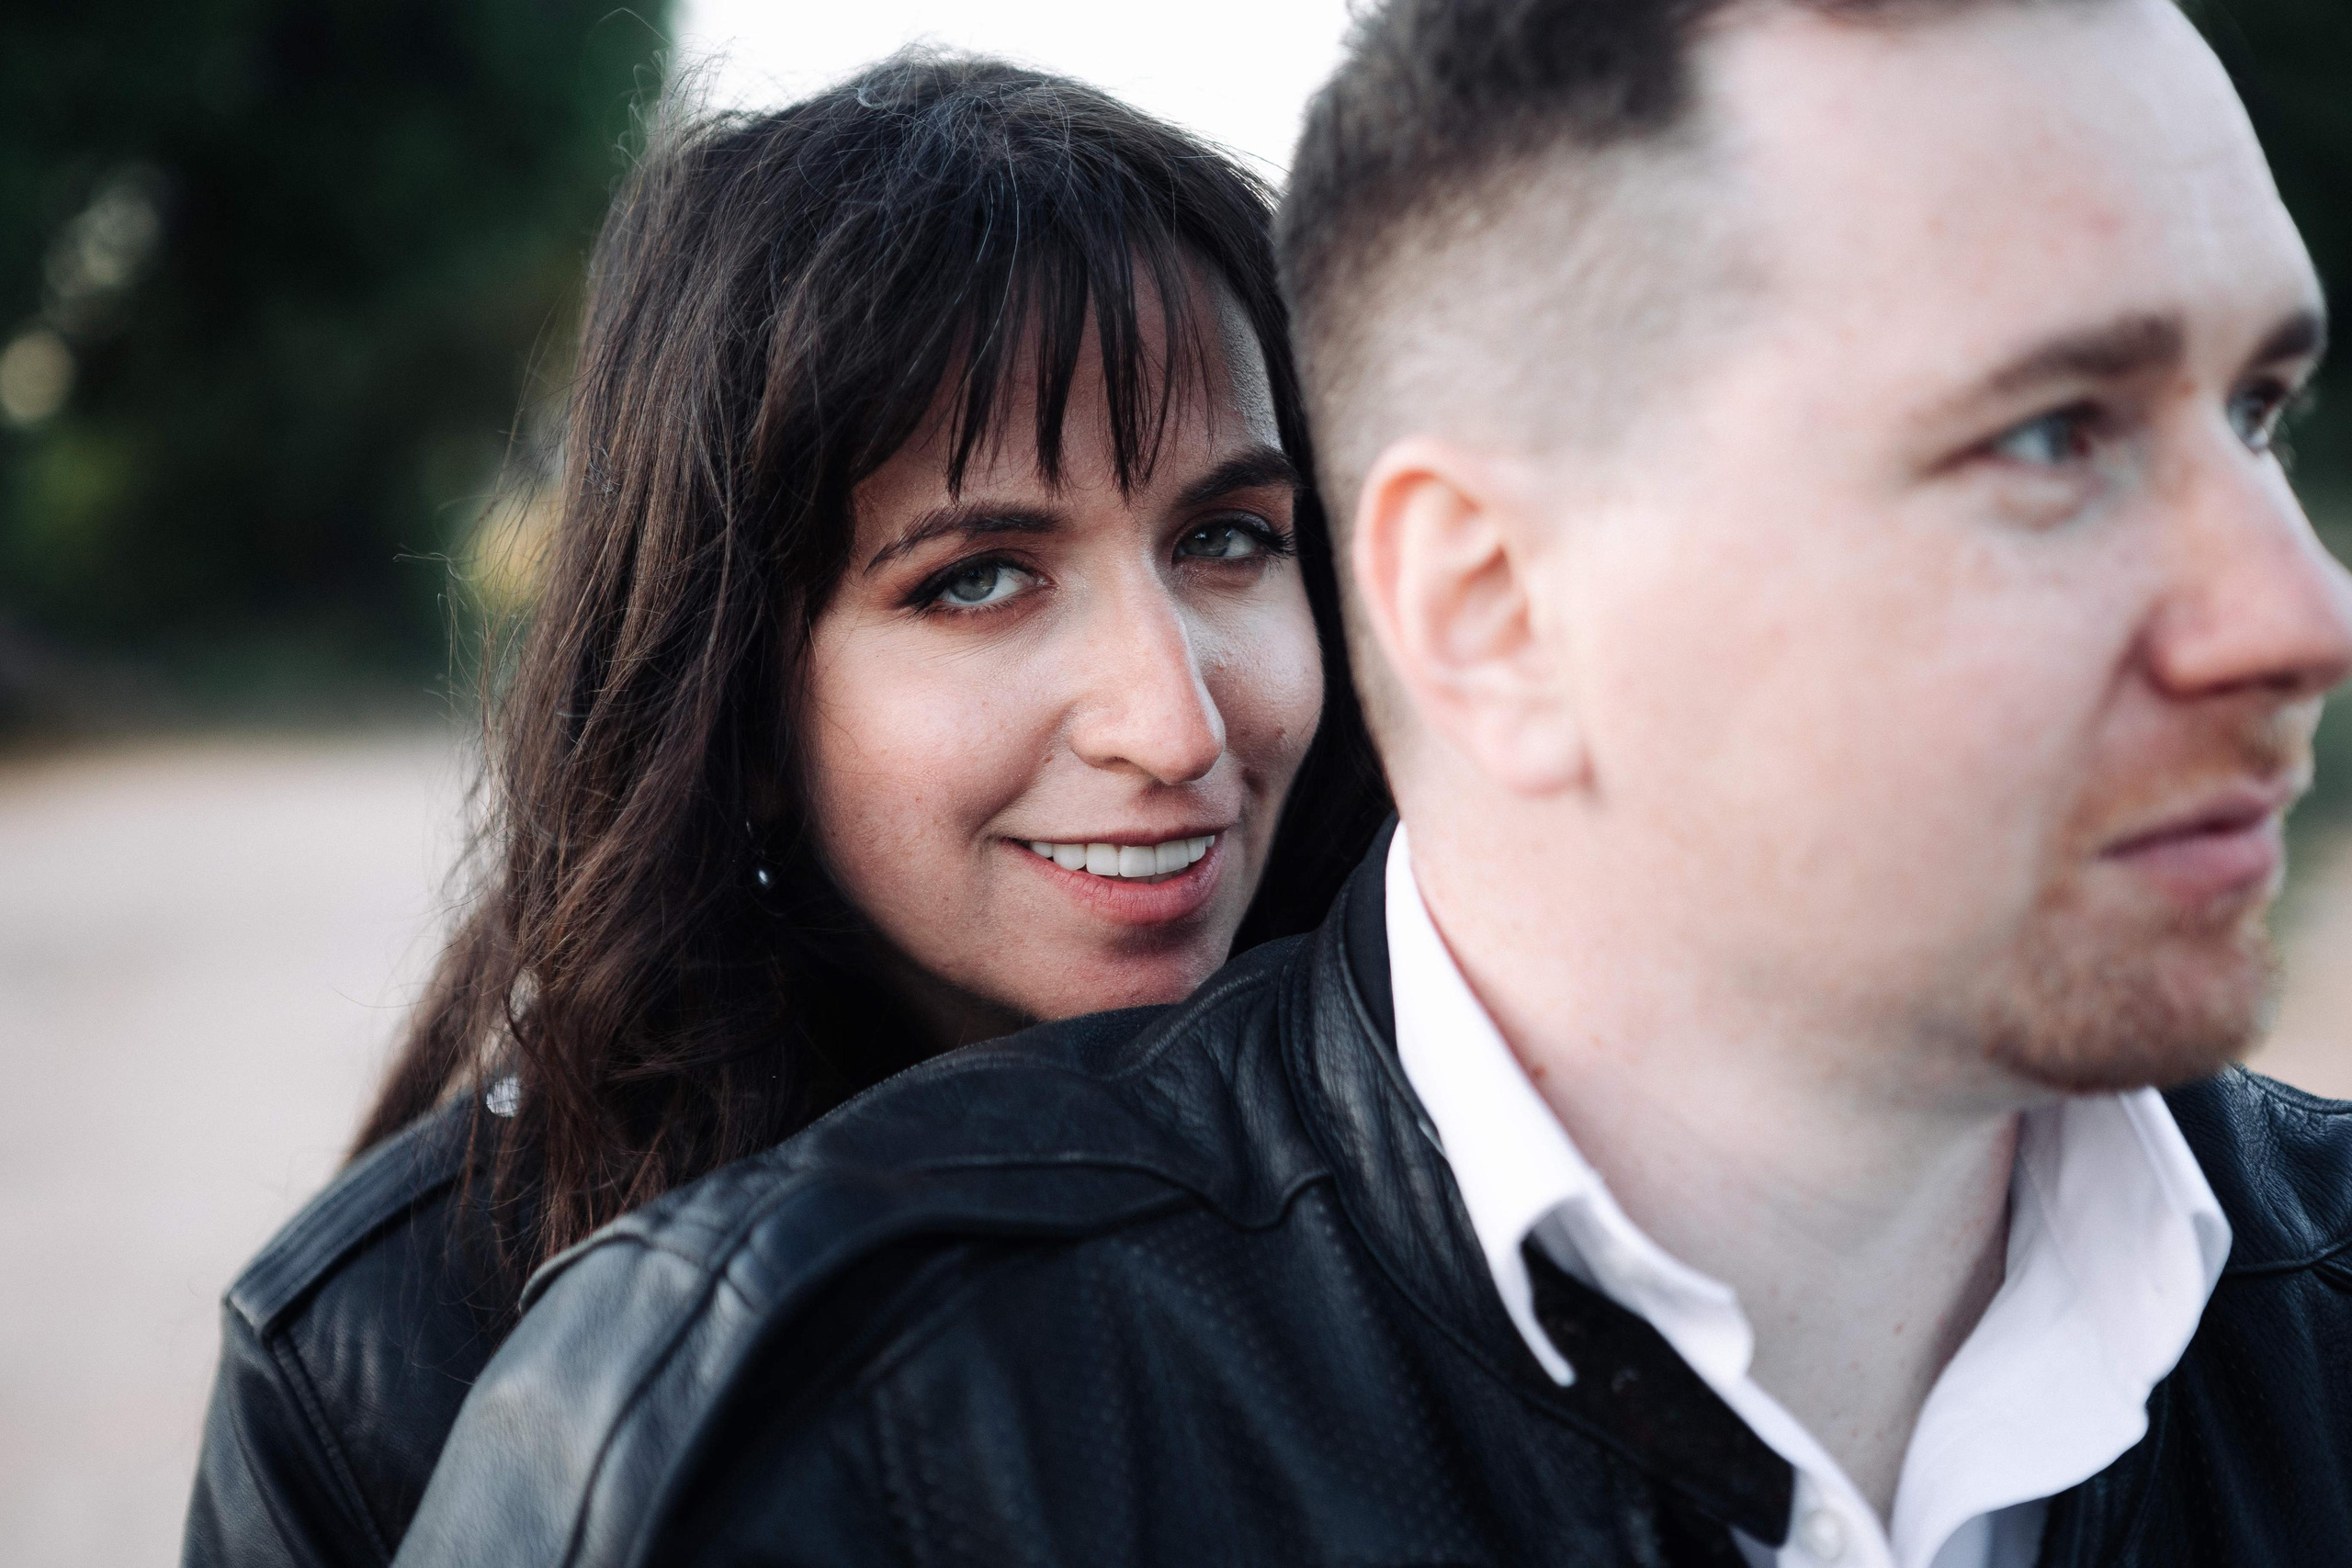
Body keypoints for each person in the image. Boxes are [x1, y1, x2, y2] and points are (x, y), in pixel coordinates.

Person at [388, 1, 2352, 1565]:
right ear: (1478, 599)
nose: (2301, 611)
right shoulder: (728, 1420)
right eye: (2041, 436)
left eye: (2261, 408)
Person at [179, 53, 1386, 1568]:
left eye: (1225, 538)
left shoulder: (1532, 1153)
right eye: (977, 577)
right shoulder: (383, 1369)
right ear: (734, 696)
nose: (1176, 723)